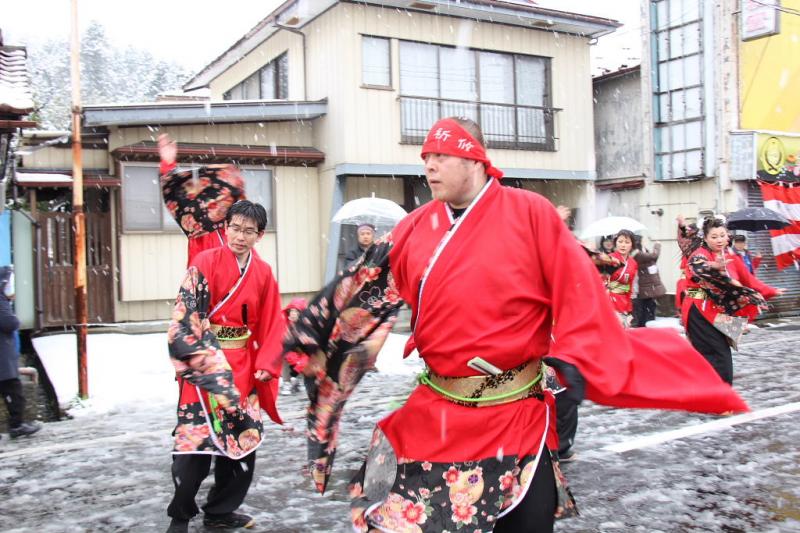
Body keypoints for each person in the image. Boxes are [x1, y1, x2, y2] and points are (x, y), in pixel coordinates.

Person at [284, 117, 748, 533]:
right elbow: (358, 287)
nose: (429, 166)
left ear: (475, 159)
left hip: (515, 409)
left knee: (527, 518)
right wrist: (310, 335)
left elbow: (576, 286)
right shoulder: (414, 227)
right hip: (440, 405)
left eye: (441, 155)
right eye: (425, 157)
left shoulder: (529, 213)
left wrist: (576, 353)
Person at [165, 201, 285, 533]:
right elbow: (186, 316)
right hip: (205, 366)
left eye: (249, 231)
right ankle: (180, 516)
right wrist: (201, 360)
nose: (240, 236)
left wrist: (266, 363)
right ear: (226, 227)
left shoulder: (262, 273)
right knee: (194, 447)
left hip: (243, 368)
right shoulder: (204, 262)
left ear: (259, 236)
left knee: (241, 446)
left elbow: (273, 323)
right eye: (235, 228)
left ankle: (221, 510)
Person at [681, 216, 784, 384]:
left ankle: (711, 393)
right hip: (699, 310)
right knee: (715, 353)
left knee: (719, 353)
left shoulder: (730, 257)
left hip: (719, 310)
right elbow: (698, 267)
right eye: (714, 237)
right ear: (705, 238)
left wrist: (771, 291)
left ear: (728, 235)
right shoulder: (700, 255)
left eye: (722, 235)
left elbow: (749, 280)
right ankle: (716, 395)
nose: (719, 240)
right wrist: (713, 267)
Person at [158, 133, 245, 266]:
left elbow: (173, 191)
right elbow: (174, 191)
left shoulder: (232, 233)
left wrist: (168, 166)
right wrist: (168, 166)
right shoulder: (203, 229)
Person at [0, 266, 40, 439]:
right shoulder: (1, 300)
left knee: (12, 391)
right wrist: (16, 319)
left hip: (4, 357)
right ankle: (16, 425)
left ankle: (17, 424)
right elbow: (9, 323)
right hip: (2, 358)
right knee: (14, 392)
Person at [605, 230, 638, 327]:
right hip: (608, 300)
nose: (623, 245)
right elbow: (601, 281)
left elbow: (630, 287)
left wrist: (629, 309)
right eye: (620, 242)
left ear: (632, 245)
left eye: (627, 242)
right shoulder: (608, 259)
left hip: (623, 301)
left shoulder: (633, 263)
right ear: (615, 243)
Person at [631, 238, 666, 327]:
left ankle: (646, 327)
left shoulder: (642, 251)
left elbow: (652, 259)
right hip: (641, 288)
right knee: (644, 312)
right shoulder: (637, 254)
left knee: (648, 309)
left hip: (646, 287)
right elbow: (654, 256)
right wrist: (657, 245)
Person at [280, 298, 307, 395]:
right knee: (284, 355)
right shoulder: (284, 323)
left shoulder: (306, 324)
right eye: (291, 311)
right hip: (287, 349)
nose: (293, 313)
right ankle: (287, 382)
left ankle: (298, 380)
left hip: (301, 349)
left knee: (307, 357)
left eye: (296, 311)